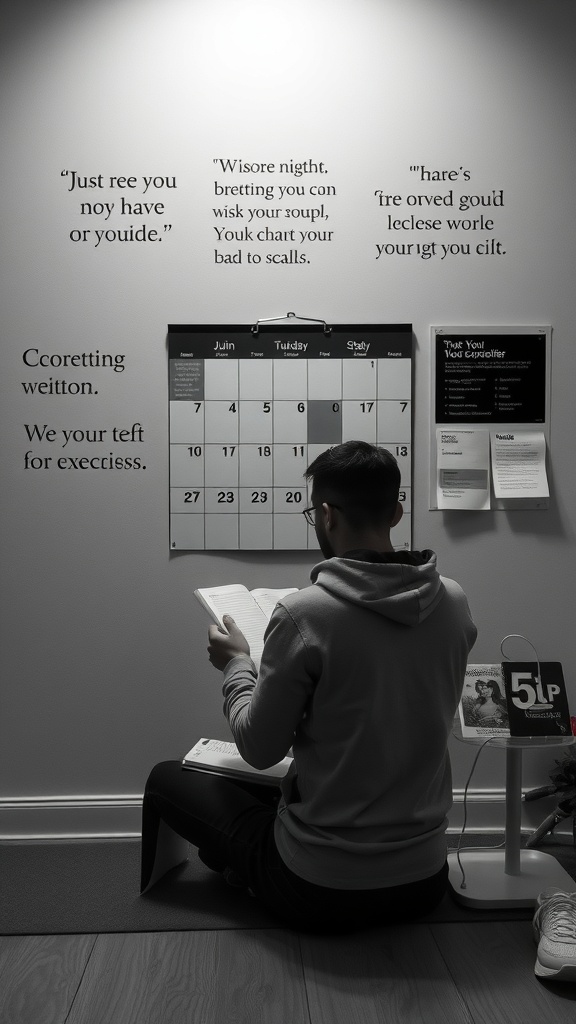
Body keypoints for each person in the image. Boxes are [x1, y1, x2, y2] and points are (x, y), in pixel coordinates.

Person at [140, 441, 477, 930]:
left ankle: (248, 873)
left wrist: (237, 665)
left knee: (167, 777)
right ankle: (240, 866)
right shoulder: (454, 601)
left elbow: (258, 748)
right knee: (265, 793)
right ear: (397, 510)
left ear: (324, 514)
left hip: (318, 889)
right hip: (423, 882)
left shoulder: (305, 613)